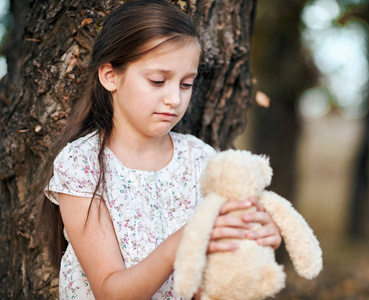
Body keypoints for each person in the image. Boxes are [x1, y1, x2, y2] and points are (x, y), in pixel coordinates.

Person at [37, 0, 282, 299]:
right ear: (110, 76)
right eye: (158, 81)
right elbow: (110, 292)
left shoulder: (202, 160)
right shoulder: (82, 164)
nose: (174, 99)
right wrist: (188, 239)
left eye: (186, 84)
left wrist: (255, 238)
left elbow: (214, 276)